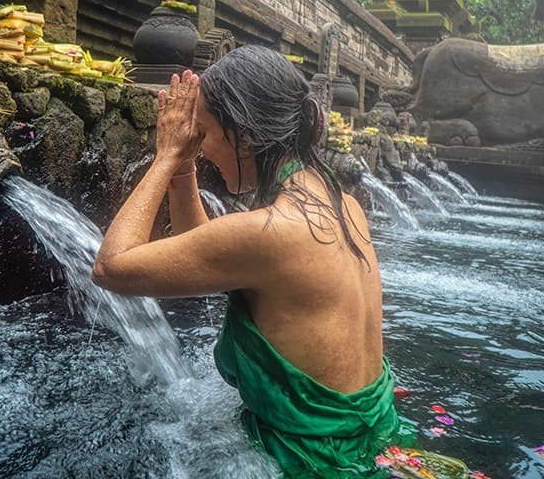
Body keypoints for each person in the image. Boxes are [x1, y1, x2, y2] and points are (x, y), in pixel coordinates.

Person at [92, 46, 413, 476]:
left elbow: (111, 266)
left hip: (312, 464)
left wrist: (166, 156)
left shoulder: (270, 232)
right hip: (377, 439)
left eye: (203, 134)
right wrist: (184, 172)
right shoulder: (344, 204)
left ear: (243, 136)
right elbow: (206, 253)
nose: (199, 149)